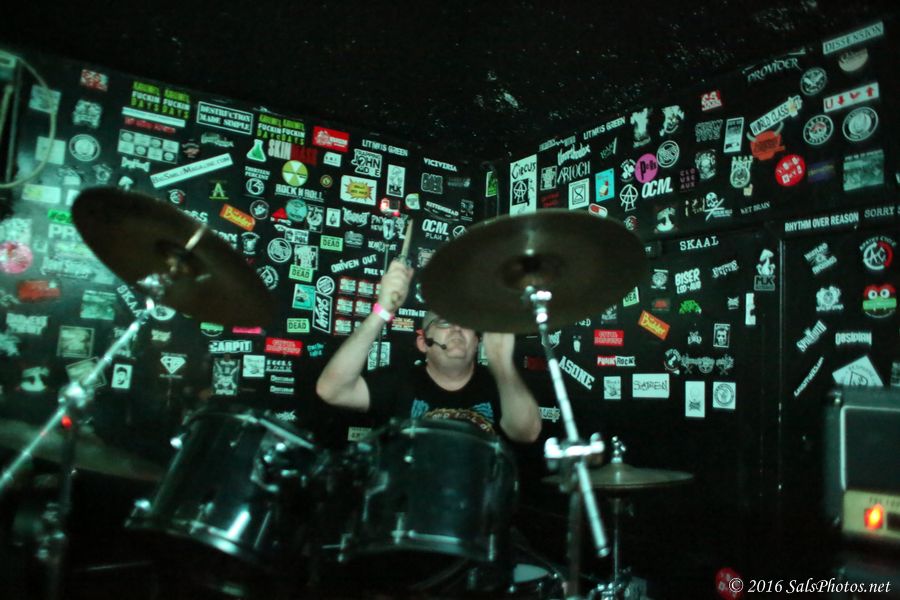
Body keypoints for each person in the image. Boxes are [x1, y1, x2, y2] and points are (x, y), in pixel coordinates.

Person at [315, 259, 541, 443]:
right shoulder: (401, 382)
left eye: (464, 323)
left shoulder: (499, 385)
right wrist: (382, 311)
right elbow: (332, 390)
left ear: (476, 340)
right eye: (443, 322)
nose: (456, 328)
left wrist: (501, 364)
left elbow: (527, 432)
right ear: (423, 343)